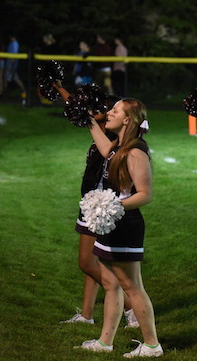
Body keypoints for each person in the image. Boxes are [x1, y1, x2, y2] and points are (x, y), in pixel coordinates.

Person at [77, 98, 163, 357]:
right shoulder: (118, 146)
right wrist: (88, 119)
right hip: (112, 223)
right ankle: (105, 342)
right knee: (111, 283)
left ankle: (152, 345)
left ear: (127, 119)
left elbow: (145, 194)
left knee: (132, 287)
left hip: (126, 224)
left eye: (115, 111)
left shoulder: (135, 151)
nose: (109, 114)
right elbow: (104, 149)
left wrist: (113, 206)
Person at [56, 83, 138, 328]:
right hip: (91, 205)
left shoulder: (118, 140)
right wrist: (58, 88)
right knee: (91, 262)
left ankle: (130, 304)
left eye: (111, 109)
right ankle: (87, 314)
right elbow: (78, 108)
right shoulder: (98, 134)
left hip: (106, 208)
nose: (105, 111)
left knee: (88, 262)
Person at [4, 35, 26, 102]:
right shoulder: (11, 43)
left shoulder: (15, 44)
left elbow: (14, 55)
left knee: (6, 79)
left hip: (11, 65)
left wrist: (10, 65)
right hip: (10, 65)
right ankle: (24, 91)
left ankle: (4, 95)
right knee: (16, 79)